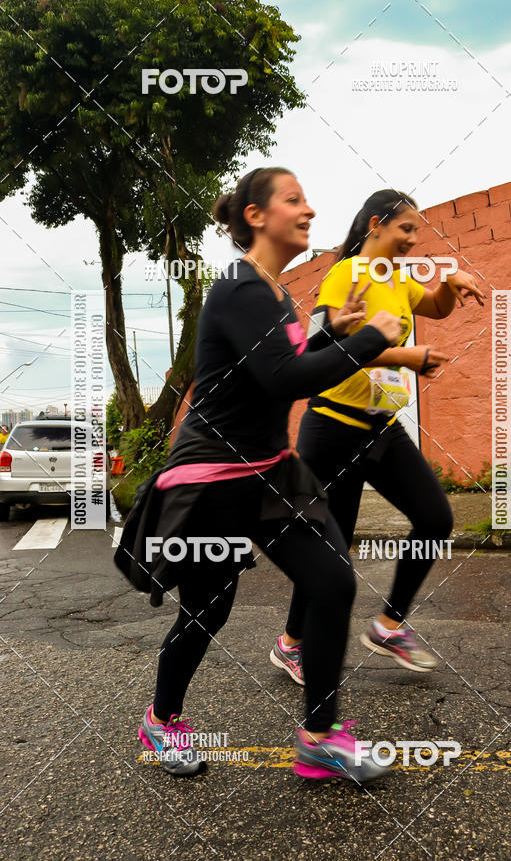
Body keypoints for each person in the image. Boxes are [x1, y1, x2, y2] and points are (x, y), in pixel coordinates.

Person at [120, 168, 404, 782]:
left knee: (331, 581)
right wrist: (371, 340)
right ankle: (160, 720)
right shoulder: (240, 287)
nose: (309, 209)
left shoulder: (274, 293)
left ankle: (320, 737)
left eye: (306, 198)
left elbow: (286, 363)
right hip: (214, 475)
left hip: (272, 471)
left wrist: (335, 331)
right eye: (294, 199)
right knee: (208, 608)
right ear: (256, 216)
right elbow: (283, 379)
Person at [270, 189, 485, 685]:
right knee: (332, 546)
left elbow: (435, 307)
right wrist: (405, 358)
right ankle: (291, 644)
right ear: (375, 226)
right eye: (405, 229)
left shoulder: (401, 280)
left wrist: (450, 284)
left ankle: (389, 626)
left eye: (417, 231)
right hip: (332, 427)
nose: (412, 239)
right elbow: (324, 345)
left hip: (381, 427)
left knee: (435, 518)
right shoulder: (343, 275)